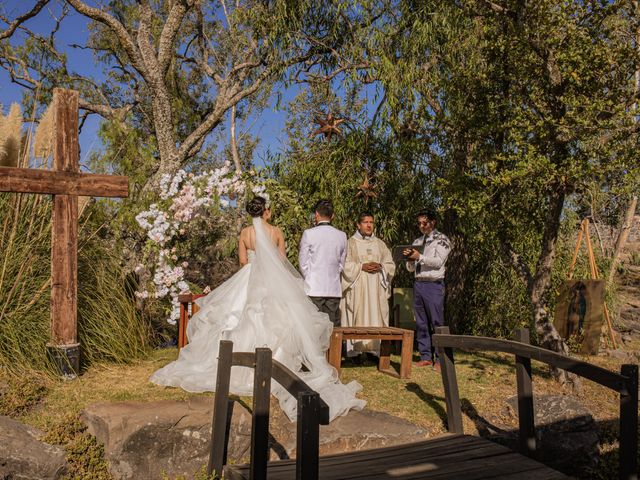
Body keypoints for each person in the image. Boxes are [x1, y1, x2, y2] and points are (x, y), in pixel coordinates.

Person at [151, 197, 365, 422]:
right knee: (281, 318)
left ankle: (235, 365)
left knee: (236, 317)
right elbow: (282, 261)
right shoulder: (276, 231)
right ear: (267, 212)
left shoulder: (245, 233)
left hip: (248, 277)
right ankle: (277, 364)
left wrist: (255, 264)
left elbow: (243, 261)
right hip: (272, 282)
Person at [340, 212, 395, 356]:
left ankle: (374, 350)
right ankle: (355, 352)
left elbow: (390, 264)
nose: (369, 225)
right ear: (358, 225)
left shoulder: (380, 244)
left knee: (376, 316)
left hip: (376, 288)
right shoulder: (350, 243)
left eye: (371, 222)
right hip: (358, 287)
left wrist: (382, 267)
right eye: (365, 222)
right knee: (358, 316)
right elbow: (343, 265)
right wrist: (361, 267)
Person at [403, 210, 450, 368]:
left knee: (437, 321)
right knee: (421, 322)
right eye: (419, 223)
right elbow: (411, 268)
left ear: (433, 222)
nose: (422, 226)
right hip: (419, 283)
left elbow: (438, 262)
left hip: (434, 284)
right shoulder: (417, 241)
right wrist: (409, 260)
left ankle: (441, 358)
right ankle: (425, 356)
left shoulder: (442, 239)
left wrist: (419, 257)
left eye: (425, 222)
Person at [298, 199, 347, 327]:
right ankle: (331, 348)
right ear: (333, 215)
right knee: (331, 327)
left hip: (313, 287)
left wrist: (310, 277)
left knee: (313, 326)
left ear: (317, 215)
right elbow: (341, 264)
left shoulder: (309, 234)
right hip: (333, 288)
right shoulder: (342, 235)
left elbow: (303, 262)